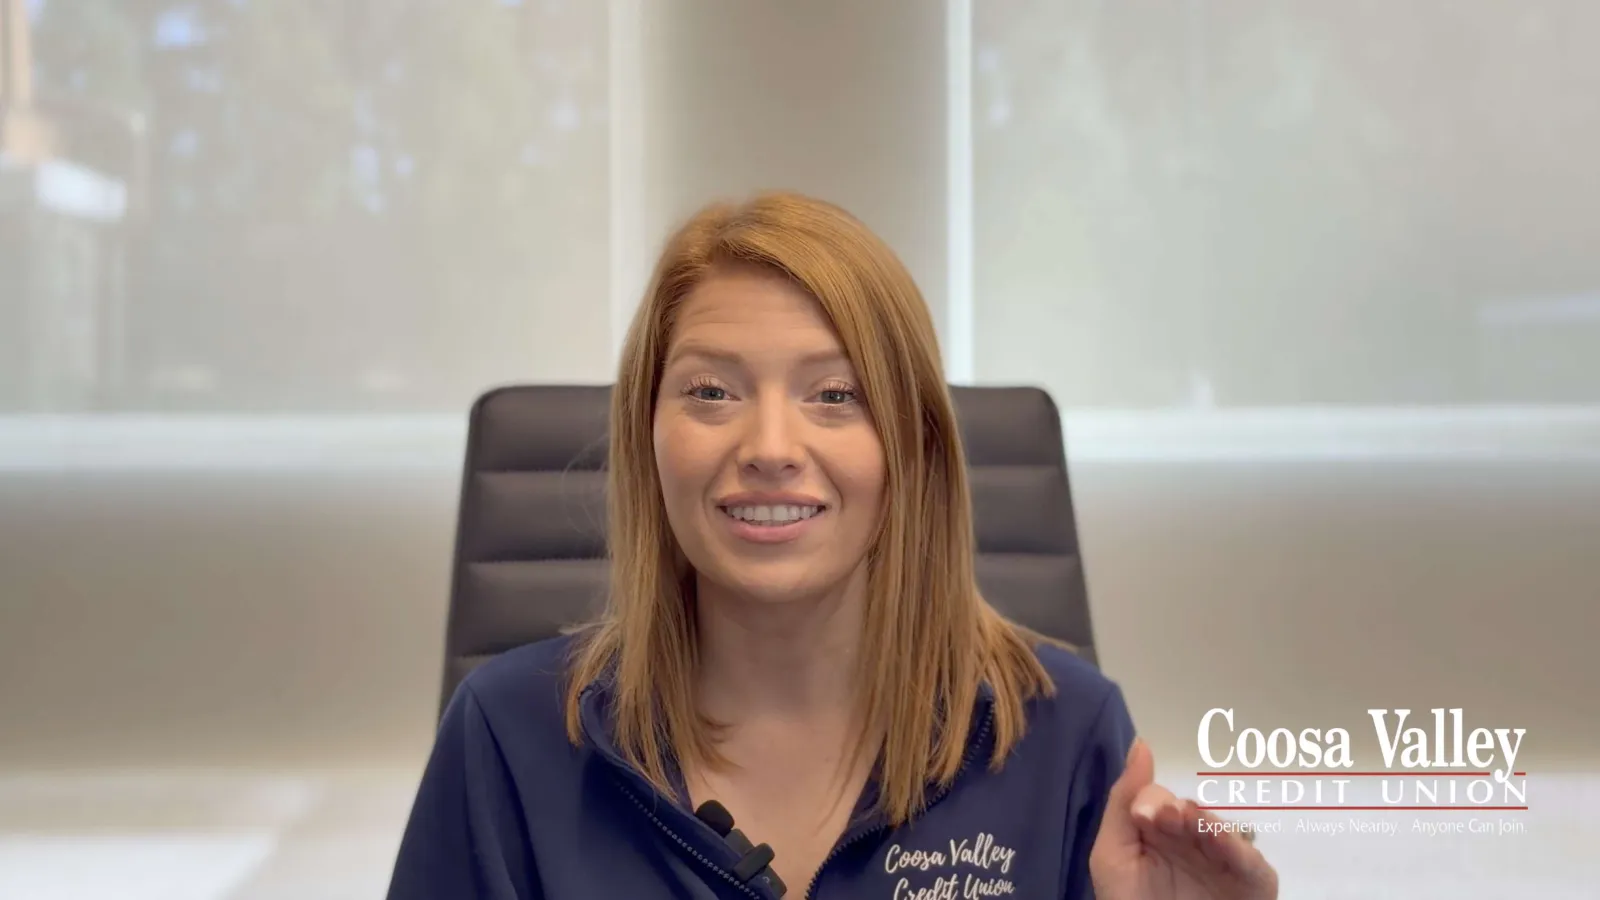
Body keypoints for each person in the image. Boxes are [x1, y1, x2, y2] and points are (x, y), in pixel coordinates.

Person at [385, 192, 1279, 899]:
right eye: (710, 392)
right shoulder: (508, 735)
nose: (770, 447)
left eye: (835, 395)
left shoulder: (1067, 734)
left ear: (914, 445)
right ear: (646, 436)